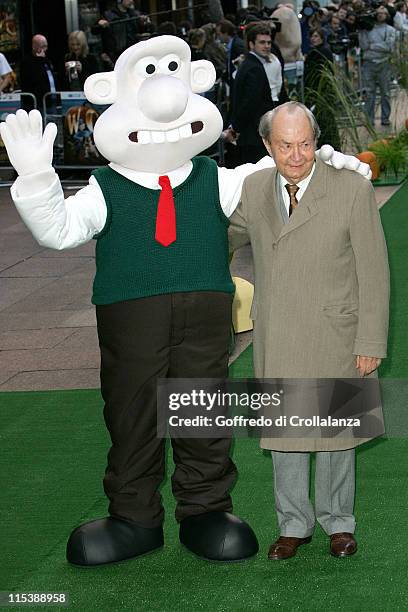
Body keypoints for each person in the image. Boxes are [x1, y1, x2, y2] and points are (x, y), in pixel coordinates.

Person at [0, 37, 369, 568]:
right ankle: (134, 516)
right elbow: (59, 230)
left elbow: (284, 176)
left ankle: (205, 509)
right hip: (131, 317)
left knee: (203, 415)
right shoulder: (106, 187)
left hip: (204, 321)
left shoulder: (217, 181)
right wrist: (37, 177)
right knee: (133, 415)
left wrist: (332, 167)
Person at [229, 101, 389, 560]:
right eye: (285, 145)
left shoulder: (351, 189)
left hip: (338, 329)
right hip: (278, 333)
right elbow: (222, 236)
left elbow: (374, 270)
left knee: (338, 432)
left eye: (304, 144)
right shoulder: (255, 188)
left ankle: (339, 523)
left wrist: (371, 341)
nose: (296, 156)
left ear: (315, 141)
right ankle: (292, 525)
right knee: (286, 433)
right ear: (267, 145)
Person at [231, 23, 288, 163]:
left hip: (253, 132)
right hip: (254, 133)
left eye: (269, 42)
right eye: (262, 42)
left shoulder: (251, 64)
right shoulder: (253, 68)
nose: (267, 46)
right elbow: (250, 102)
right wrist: (236, 127)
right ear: (251, 44)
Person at [359, 6, 396, 126]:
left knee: (385, 92)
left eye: (383, 13)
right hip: (369, 64)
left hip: (384, 63)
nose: (380, 15)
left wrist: (373, 46)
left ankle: (385, 118)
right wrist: (378, 46)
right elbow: (364, 46)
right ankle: (369, 119)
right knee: (369, 93)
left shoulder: (390, 30)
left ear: (387, 15)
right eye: (378, 13)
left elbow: (389, 47)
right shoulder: (366, 29)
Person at [304, 27, 341, 148]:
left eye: (316, 36)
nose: (313, 39)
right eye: (312, 36)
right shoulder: (316, 51)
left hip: (321, 91)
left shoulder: (322, 52)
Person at [20, 34, 58, 111]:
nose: (45, 49)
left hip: (51, 99)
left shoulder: (46, 60)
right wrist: (39, 61)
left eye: (46, 46)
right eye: (43, 46)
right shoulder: (26, 62)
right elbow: (34, 78)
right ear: (34, 47)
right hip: (37, 102)